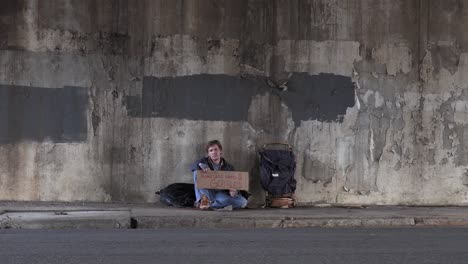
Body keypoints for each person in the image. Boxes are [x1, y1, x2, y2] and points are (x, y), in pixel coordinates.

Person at [191, 140, 248, 210]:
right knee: (197, 172)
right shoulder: (203, 161)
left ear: (220, 151)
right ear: (208, 154)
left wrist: (234, 192)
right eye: (211, 150)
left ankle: (209, 205)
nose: (214, 152)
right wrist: (200, 165)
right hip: (207, 192)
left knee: (242, 202)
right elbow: (193, 166)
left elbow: (234, 184)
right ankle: (205, 201)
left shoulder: (229, 167)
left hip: (220, 193)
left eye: (216, 149)